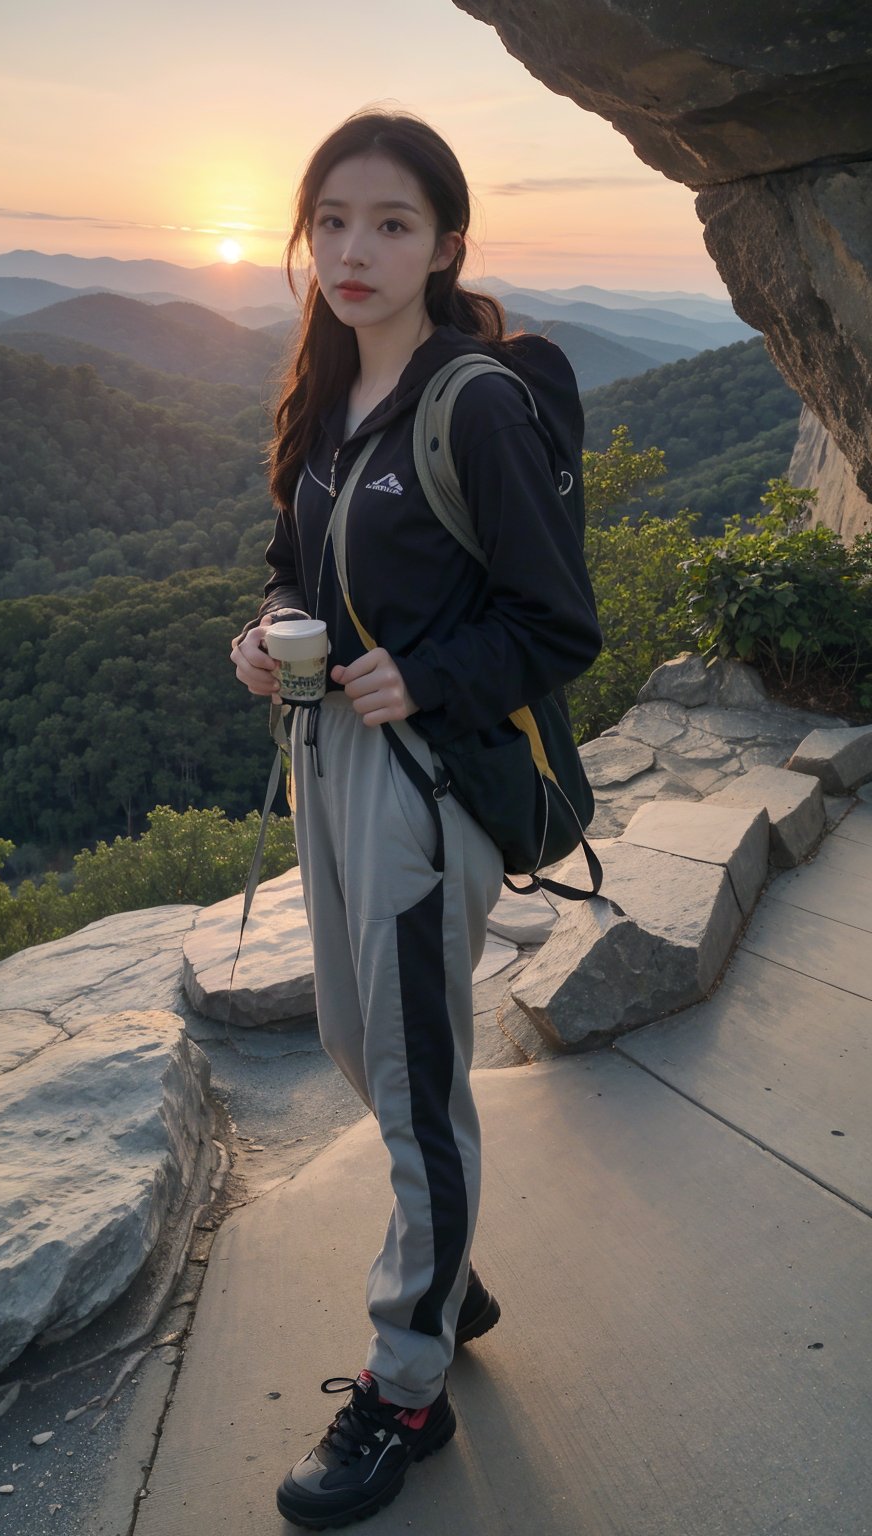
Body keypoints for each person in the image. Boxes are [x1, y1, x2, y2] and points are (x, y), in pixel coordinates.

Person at [230, 108, 602, 1529]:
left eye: (390, 224)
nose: (353, 250)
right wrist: (268, 634)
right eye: (331, 220)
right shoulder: (325, 399)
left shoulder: (477, 403)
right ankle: (449, 1267)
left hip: (424, 784)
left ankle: (406, 1385)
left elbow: (558, 625)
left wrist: (427, 675)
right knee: (354, 1041)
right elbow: (288, 566)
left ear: (448, 245)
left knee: (412, 1068)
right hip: (328, 764)